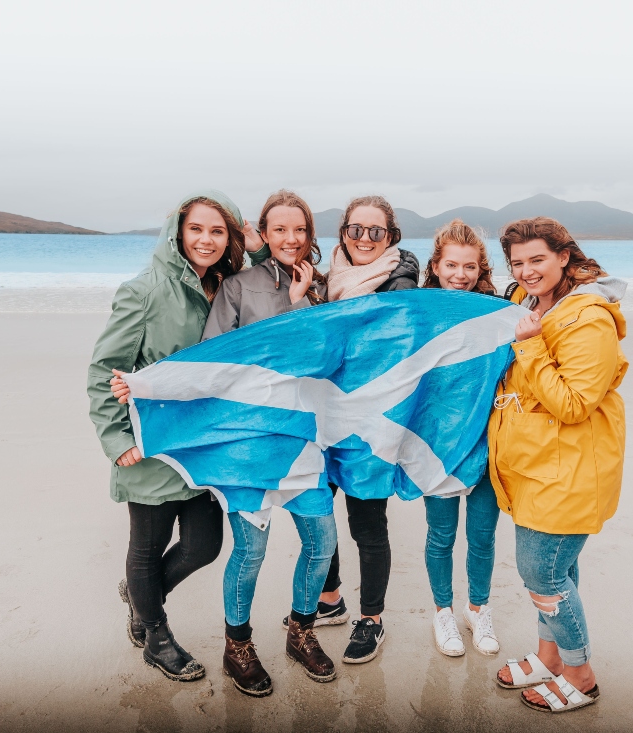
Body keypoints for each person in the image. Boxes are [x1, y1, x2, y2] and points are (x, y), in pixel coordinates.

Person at [128, 190, 338, 697]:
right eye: (280, 230)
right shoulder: (237, 287)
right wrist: (142, 388)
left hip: (302, 442)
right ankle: (237, 645)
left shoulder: (321, 289)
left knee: (322, 541)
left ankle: (301, 631)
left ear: (310, 236)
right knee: (251, 550)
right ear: (262, 235)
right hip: (249, 445)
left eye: (300, 230)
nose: (291, 239)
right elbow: (215, 365)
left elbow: (330, 366)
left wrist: (308, 301)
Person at [86, 191, 265, 683]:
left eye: (217, 231)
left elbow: (272, 289)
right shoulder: (144, 291)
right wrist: (115, 438)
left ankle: (141, 595)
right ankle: (156, 636)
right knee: (147, 546)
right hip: (148, 442)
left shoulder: (225, 284)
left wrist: (258, 249)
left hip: (200, 443)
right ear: (177, 232)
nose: (205, 240)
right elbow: (105, 368)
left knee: (204, 546)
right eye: (196, 229)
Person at [488, 216, 627, 713]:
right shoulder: (526, 305)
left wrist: (528, 346)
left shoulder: (589, 318)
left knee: (542, 574)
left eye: (537, 260)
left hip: (567, 470)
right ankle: (550, 657)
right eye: (518, 262)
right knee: (557, 572)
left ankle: (581, 674)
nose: (526, 271)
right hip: (534, 466)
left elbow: (573, 404)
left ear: (564, 257)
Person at [318, 195, 421, 664]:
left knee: (366, 526)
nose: (364, 239)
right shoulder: (323, 280)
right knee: (316, 516)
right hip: (323, 415)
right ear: (342, 234)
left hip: (374, 422)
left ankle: (372, 620)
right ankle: (330, 599)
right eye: (356, 230)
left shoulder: (401, 281)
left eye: (376, 232)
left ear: (391, 238)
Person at [418, 219, 502, 657]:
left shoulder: (496, 312)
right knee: (441, 535)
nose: (460, 275)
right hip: (438, 443)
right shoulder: (420, 311)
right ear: (436, 265)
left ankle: (478, 609)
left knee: (483, 535)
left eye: (470, 267)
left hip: (488, 441)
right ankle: (443, 613)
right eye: (451, 265)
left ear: (480, 268)